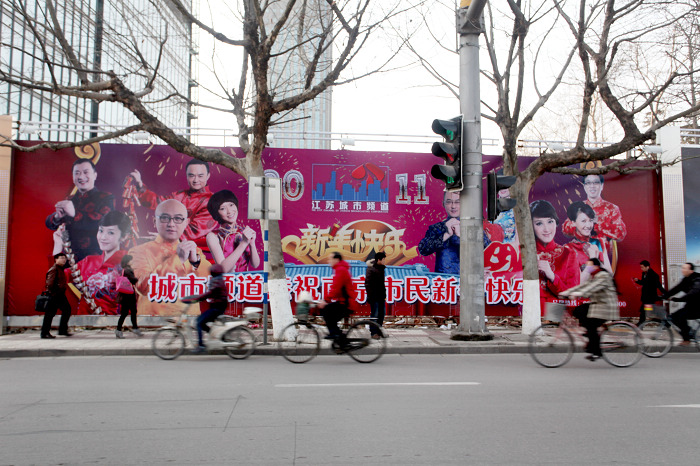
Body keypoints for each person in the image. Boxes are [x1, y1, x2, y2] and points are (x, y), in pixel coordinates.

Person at [128, 199, 211, 316]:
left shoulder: (194, 252)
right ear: (154, 221)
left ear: (186, 222)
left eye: (178, 218)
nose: (171, 224)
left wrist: (195, 262)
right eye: (165, 218)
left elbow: (211, 286)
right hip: (151, 321)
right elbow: (144, 287)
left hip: (188, 322)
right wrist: (178, 259)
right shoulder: (138, 252)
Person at [54, 210, 132, 315]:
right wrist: (58, 244)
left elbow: (129, 305)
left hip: (112, 323)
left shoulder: (129, 263)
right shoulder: (89, 261)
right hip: (83, 322)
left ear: (124, 236)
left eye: (110, 232)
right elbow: (57, 279)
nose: (103, 237)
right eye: (101, 231)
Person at [129, 159, 217, 243]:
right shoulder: (180, 195)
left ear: (208, 176)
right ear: (186, 175)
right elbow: (158, 203)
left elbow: (195, 230)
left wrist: (165, 237)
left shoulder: (212, 202)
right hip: (171, 243)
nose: (195, 180)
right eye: (191, 175)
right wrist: (140, 185)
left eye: (200, 176)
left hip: (199, 249)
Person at [46, 159, 115, 261]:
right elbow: (49, 224)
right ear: (73, 178)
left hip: (95, 260)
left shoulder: (106, 198)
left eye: (86, 172)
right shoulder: (70, 199)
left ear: (95, 175)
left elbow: (103, 224)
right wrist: (57, 217)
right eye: (77, 173)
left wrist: (74, 214)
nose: (81, 177)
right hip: (70, 260)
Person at [559, 258, 619, 361]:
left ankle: (596, 352)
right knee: (578, 311)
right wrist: (566, 292)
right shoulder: (593, 276)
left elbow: (591, 288)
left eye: (589, 265)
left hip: (606, 307)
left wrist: (578, 294)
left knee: (591, 326)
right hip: (597, 305)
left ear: (596, 266)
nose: (587, 267)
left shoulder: (603, 276)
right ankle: (590, 334)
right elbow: (583, 286)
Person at [530, 200, 579, 309]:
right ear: (530, 226)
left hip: (557, 313)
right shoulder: (523, 254)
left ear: (556, 222)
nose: (546, 229)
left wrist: (552, 276)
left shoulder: (568, 254)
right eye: (539, 223)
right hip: (528, 312)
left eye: (550, 221)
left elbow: (573, 296)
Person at [562, 174, 627, 248]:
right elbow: (566, 230)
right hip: (580, 250)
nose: (592, 186)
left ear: (602, 186)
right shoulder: (578, 207)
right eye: (588, 183)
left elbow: (620, 234)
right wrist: (582, 222)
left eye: (596, 182)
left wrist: (598, 221)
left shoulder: (612, 208)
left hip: (604, 251)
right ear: (584, 186)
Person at [205, 189, 260, 272]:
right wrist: (244, 243)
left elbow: (255, 265)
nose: (229, 211)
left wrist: (252, 244)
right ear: (216, 213)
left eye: (231, 205)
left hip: (245, 278)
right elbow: (223, 269)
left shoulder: (244, 231)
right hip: (227, 279)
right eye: (222, 208)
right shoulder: (213, 236)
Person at [183, 264, 228, 353]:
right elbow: (210, 293)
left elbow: (209, 293)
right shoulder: (219, 279)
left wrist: (197, 298)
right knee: (202, 323)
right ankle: (217, 335)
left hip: (217, 308)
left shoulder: (216, 281)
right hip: (218, 306)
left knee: (199, 322)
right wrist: (198, 297)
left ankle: (200, 345)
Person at [318, 252, 357, 350]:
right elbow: (336, 289)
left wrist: (325, 300)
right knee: (330, 313)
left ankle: (336, 335)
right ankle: (339, 337)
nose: (328, 261)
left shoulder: (341, 270)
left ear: (337, 260)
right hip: (343, 302)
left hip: (347, 303)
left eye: (330, 259)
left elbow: (335, 288)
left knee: (326, 311)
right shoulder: (340, 269)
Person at [563, 201, 611, 279]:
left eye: (590, 220)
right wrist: (592, 260)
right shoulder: (568, 249)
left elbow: (610, 275)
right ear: (573, 222)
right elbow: (577, 282)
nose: (588, 225)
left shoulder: (599, 242)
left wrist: (597, 259)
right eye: (583, 221)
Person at [418, 191, 460, 274]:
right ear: (443, 204)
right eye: (449, 202)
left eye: (457, 202)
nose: (453, 206)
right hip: (443, 279)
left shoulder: (473, 227)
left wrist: (461, 235)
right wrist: (446, 235)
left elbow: (486, 249)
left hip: (469, 278)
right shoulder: (437, 227)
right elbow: (423, 249)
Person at [661, 262, 700, 346]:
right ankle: (689, 333)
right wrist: (664, 296)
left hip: (697, 307)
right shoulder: (686, 279)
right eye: (682, 268)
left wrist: (678, 299)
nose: (682, 270)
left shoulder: (697, 279)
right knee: (674, 317)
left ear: (691, 271)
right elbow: (676, 289)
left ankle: (687, 338)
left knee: (680, 317)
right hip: (691, 306)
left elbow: (693, 293)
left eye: (685, 268)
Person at [41, 253, 73, 338]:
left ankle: (62, 330)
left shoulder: (60, 269)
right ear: (56, 259)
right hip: (54, 295)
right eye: (61, 258)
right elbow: (49, 284)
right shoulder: (54, 269)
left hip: (59, 295)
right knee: (50, 314)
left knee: (66, 310)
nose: (64, 260)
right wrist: (54, 293)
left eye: (64, 258)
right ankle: (45, 333)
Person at [115, 255, 142, 339]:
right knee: (126, 312)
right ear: (127, 261)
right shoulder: (127, 270)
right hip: (128, 295)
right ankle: (120, 330)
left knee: (130, 311)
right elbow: (133, 280)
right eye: (131, 260)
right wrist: (137, 278)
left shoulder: (126, 270)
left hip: (127, 294)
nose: (132, 261)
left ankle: (134, 328)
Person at [633, 260, 666, 326]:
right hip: (645, 297)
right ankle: (641, 324)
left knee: (646, 310)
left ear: (647, 267)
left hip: (650, 297)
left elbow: (659, 286)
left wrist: (666, 294)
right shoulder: (644, 274)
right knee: (647, 311)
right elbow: (643, 283)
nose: (641, 269)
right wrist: (637, 281)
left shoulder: (654, 275)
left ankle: (641, 324)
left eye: (642, 267)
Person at [365, 251, 387, 339]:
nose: (385, 261)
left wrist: (384, 294)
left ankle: (379, 330)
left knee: (382, 313)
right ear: (379, 260)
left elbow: (382, 284)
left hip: (381, 296)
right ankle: (373, 332)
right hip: (374, 297)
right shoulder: (371, 269)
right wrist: (371, 296)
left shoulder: (381, 268)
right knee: (375, 314)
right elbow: (367, 284)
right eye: (383, 259)